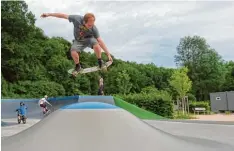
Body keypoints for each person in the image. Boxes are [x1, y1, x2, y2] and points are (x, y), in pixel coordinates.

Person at [40, 12, 113, 75]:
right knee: (73, 52)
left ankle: (100, 61)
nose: (91, 27)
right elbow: (63, 15)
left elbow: (100, 41)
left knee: (96, 44)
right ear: (84, 22)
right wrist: (49, 14)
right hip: (78, 40)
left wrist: (108, 54)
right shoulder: (76, 19)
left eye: (93, 24)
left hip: (89, 39)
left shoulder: (94, 28)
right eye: (89, 25)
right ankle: (78, 66)